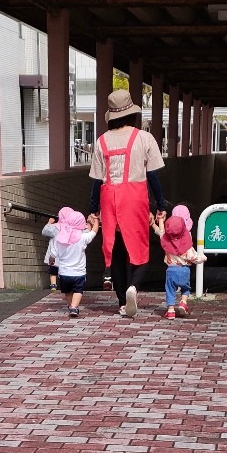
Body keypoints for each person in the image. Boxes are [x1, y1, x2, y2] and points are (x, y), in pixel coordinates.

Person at [89, 89, 166, 318]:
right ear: (132, 114)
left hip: (109, 198)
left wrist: (93, 210)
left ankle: (122, 302)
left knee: (118, 252)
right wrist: (160, 204)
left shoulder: (101, 141)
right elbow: (152, 176)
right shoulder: (144, 138)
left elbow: (96, 180)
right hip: (135, 198)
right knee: (140, 249)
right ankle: (134, 287)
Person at [152, 213, 206, 319]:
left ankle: (171, 310)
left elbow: (161, 232)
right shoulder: (186, 246)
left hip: (171, 270)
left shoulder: (165, 240)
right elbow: (194, 257)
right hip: (184, 270)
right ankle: (183, 302)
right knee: (186, 288)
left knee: (170, 290)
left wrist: (158, 221)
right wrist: (203, 258)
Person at [49, 210, 99, 318]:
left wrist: (51, 260)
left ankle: (71, 305)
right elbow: (93, 232)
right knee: (78, 291)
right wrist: (96, 221)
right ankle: (74, 306)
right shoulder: (82, 237)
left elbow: (53, 253)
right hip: (78, 273)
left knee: (67, 292)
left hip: (64, 273)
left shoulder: (59, 239)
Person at [42, 207, 72, 291]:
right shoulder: (72, 228)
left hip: (54, 254)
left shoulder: (55, 227)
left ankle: (53, 285)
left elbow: (45, 231)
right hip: (66, 254)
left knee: (53, 270)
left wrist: (49, 223)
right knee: (66, 270)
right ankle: (66, 284)